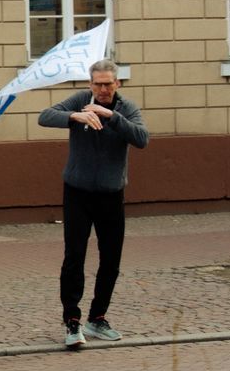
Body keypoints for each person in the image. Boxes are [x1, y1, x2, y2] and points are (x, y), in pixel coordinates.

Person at [38, 58, 148, 349]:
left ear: (117, 84)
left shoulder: (126, 108)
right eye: (97, 84)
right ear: (90, 84)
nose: (102, 89)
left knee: (110, 260)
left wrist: (110, 117)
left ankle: (97, 318)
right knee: (74, 256)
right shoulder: (80, 101)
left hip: (112, 194)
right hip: (77, 192)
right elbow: (45, 116)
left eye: (107, 84)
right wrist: (75, 116)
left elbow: (142, 138)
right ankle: (72, 323)